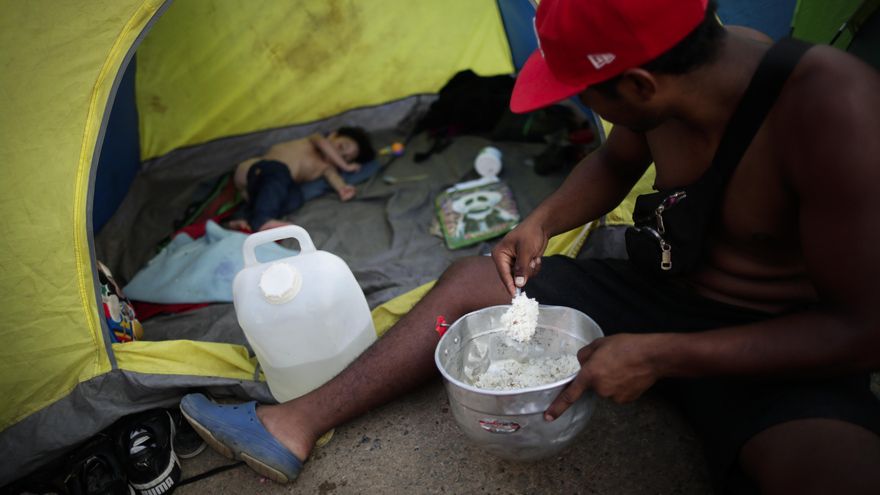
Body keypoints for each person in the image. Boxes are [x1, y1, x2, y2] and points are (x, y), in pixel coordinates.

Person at [181, 0, 880, 492]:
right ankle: (292, 424)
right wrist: (540, 221)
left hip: (773, 346)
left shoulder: (834, 110)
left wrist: (662, 354)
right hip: (666, 289)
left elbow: (862, 331)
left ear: (638, 85)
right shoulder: (670, 79)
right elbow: (616, 160)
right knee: (473, 282)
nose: (579, 104)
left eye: (585, 93)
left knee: (834, 474)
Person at [228, 127, 375, 231]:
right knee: (279, 171)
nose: (338, 155)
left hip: (263, 191)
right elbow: (322, 143)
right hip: (255, 170)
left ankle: (243, 220)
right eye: (341, 147)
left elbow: (334, 177)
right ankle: (262, 221)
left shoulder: (326, 166)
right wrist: (345, 166)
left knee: (295, 198)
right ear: (333, 135)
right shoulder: (313, 139)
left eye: (346, 157)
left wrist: (343, 188)